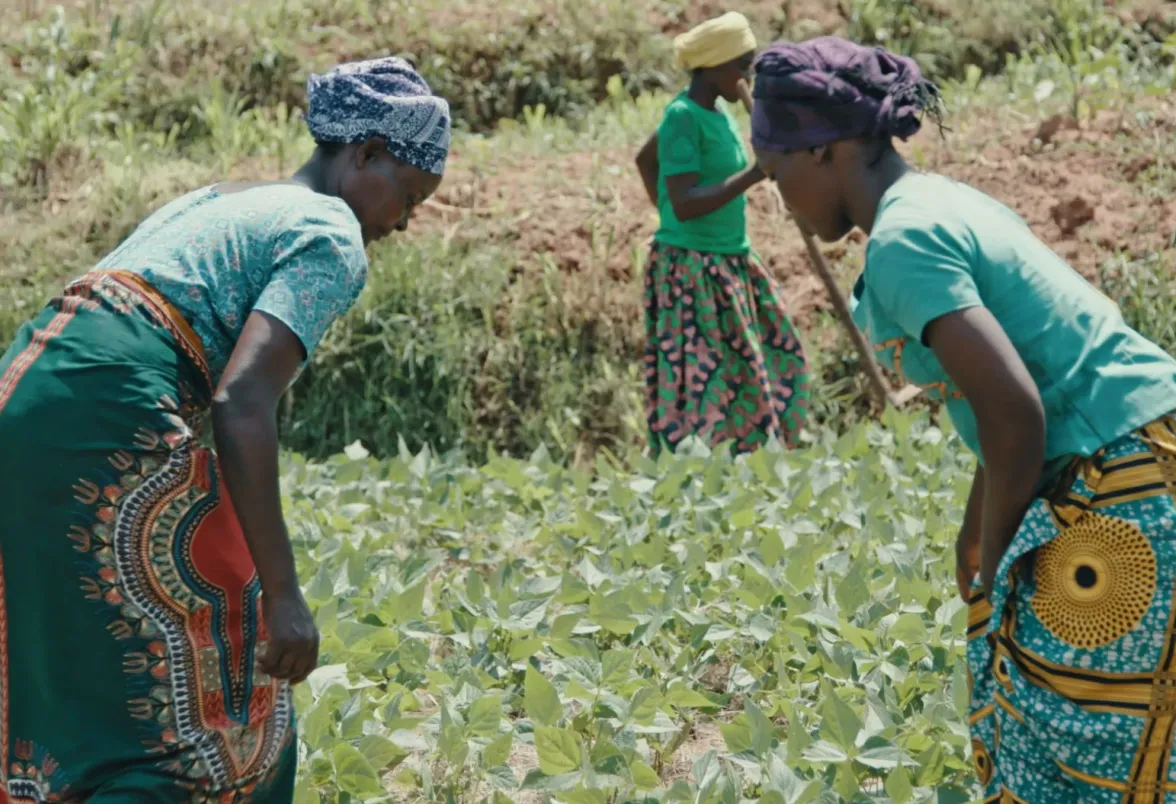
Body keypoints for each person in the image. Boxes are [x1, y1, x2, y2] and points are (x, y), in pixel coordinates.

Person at [0, 57, 448, 802]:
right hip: (106, 401)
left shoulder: (229, 197)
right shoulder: (330, 231)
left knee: (67, 657)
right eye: (408, 195)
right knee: (235, 681)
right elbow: (243, 400)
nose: (402, 222)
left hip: (30, 381)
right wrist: (284, 593)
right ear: (365, 153)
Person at [750, 35, 1176, 801]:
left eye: (776, 171)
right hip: (1141, 452)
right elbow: (1003, 397)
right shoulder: (938, 203)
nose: (778, 197)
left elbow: (1015, 412)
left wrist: (1001, 562)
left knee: (1088, 725)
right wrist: (976, 525)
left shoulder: (904, 243)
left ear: (825, 151)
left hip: (1128, 478)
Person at [634, 11, 809, 455]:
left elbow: (645, 160)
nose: (746, 77)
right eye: (741, 66)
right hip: (691, 269)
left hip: (730, 257)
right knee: (702, 379)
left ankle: (754, 457)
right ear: (712, 68)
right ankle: (697, 469)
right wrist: (752, 176)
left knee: (775, 354)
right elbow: (688, 202)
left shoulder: (716, 114)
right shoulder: (682, 117)